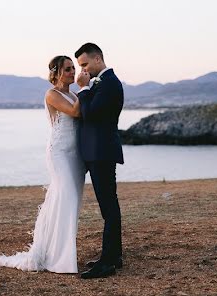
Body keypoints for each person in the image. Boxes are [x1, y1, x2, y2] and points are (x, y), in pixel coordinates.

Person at [0, 55, 86, 273]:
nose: (73, 72)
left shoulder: (72, 93)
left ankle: (60, 253)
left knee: (69, 204)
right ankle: (59, 259)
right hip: (60, 153)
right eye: (67, 69)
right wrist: (85, 88)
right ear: (56, 73)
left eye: (73, 68)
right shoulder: (52, 94)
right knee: (67, 197)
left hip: (76, 156)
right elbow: (75, 112)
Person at [75, 42, 124, 279]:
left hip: (102, 153)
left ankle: (107, 262)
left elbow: (90, 114)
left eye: (84, 64)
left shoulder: (110, 84)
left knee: (109, 208)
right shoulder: (102, 83)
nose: (82, 70)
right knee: (109, 207)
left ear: (97, 59)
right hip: (99, 152)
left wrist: (83, 89)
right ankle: (114, 256)